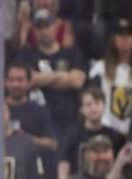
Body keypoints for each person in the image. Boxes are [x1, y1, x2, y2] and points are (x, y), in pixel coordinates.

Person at [17, 9, 87, 137]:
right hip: (36, 123)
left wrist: (40, 79)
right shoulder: (27, 55)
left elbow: (77, 81)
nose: (43, 32)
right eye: (39, 27)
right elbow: (27, 81)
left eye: (47, 26)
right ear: (34, 30)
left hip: (68, 123)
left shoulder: (71, 53)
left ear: (55, 27)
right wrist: (62, 76)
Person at [88, 19, 132, 135]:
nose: (125, 39)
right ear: (113, 39)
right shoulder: (99, 68)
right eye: (121, 35)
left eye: (128, 35)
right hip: (107, 129)